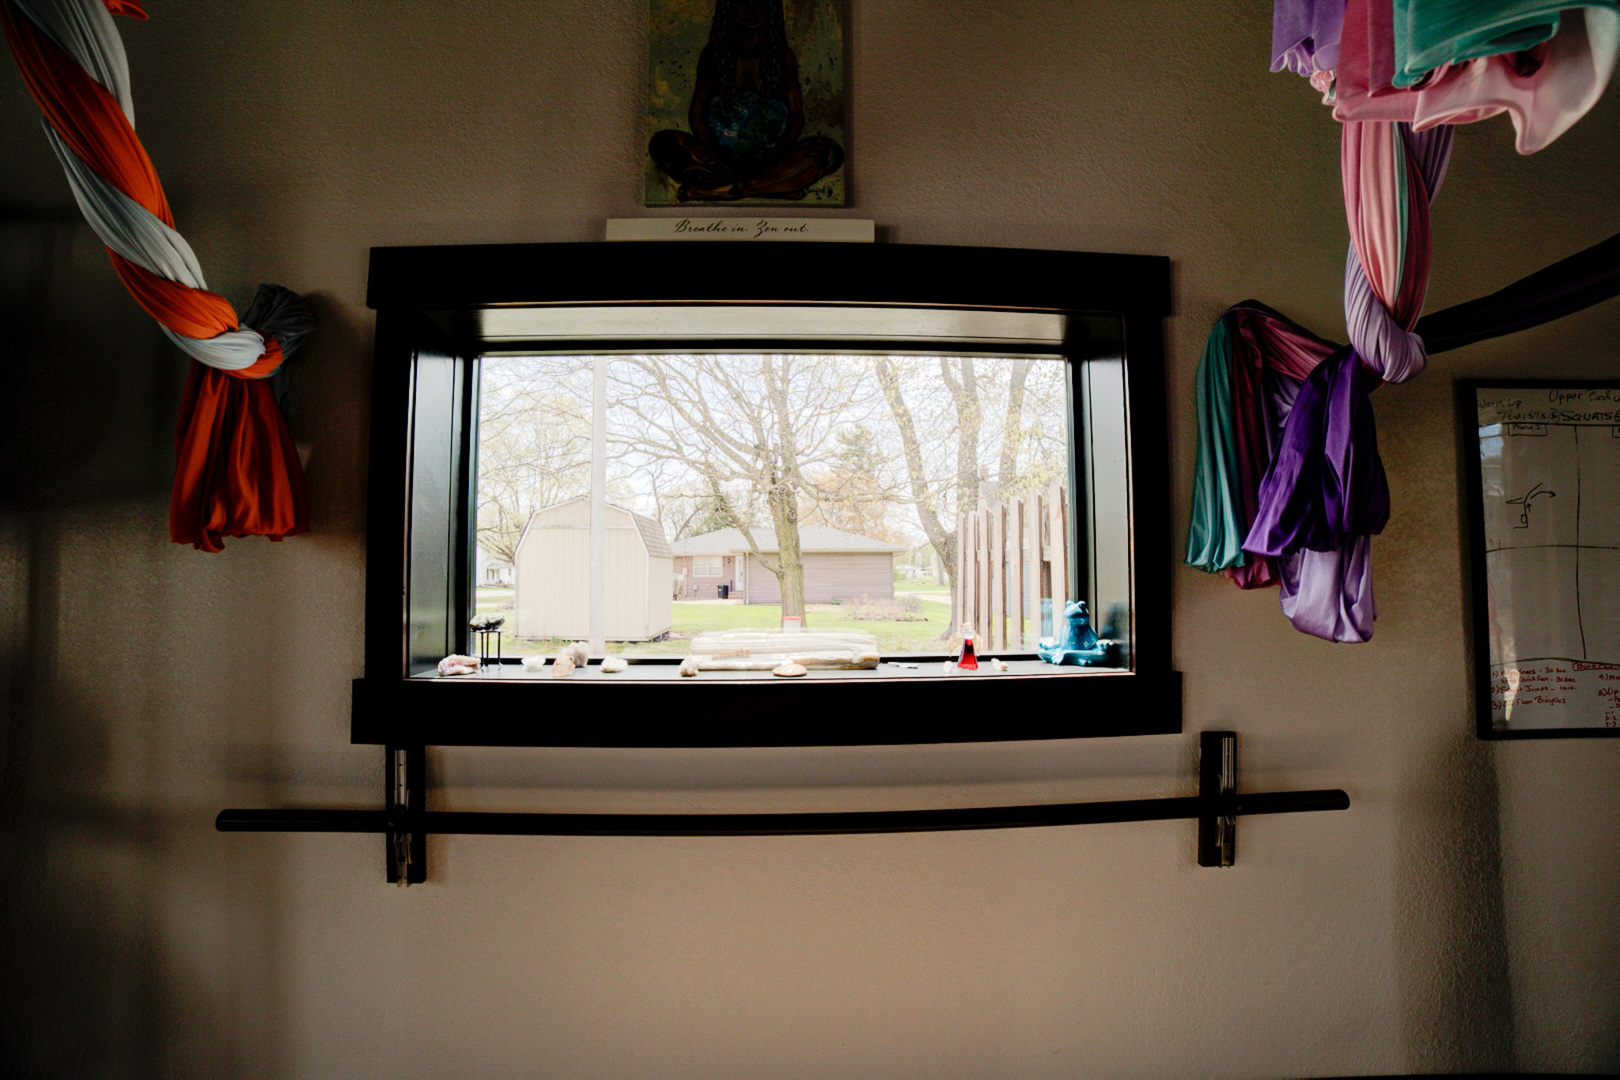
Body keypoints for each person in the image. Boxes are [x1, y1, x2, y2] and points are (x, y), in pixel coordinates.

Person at [649, 0, 844, 201]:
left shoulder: (783, 57)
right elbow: (697, 115)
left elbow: (796, 118)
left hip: (773, 158)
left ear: (771, 8)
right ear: (729, 6)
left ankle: (722, 191)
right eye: (743, 2)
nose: (752, 11)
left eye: (760, 2)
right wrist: (716, 152)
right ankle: (774, 187)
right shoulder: (712, 55)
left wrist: (775, 154)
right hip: (719, 160)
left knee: (827, 153)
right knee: (665, 144)